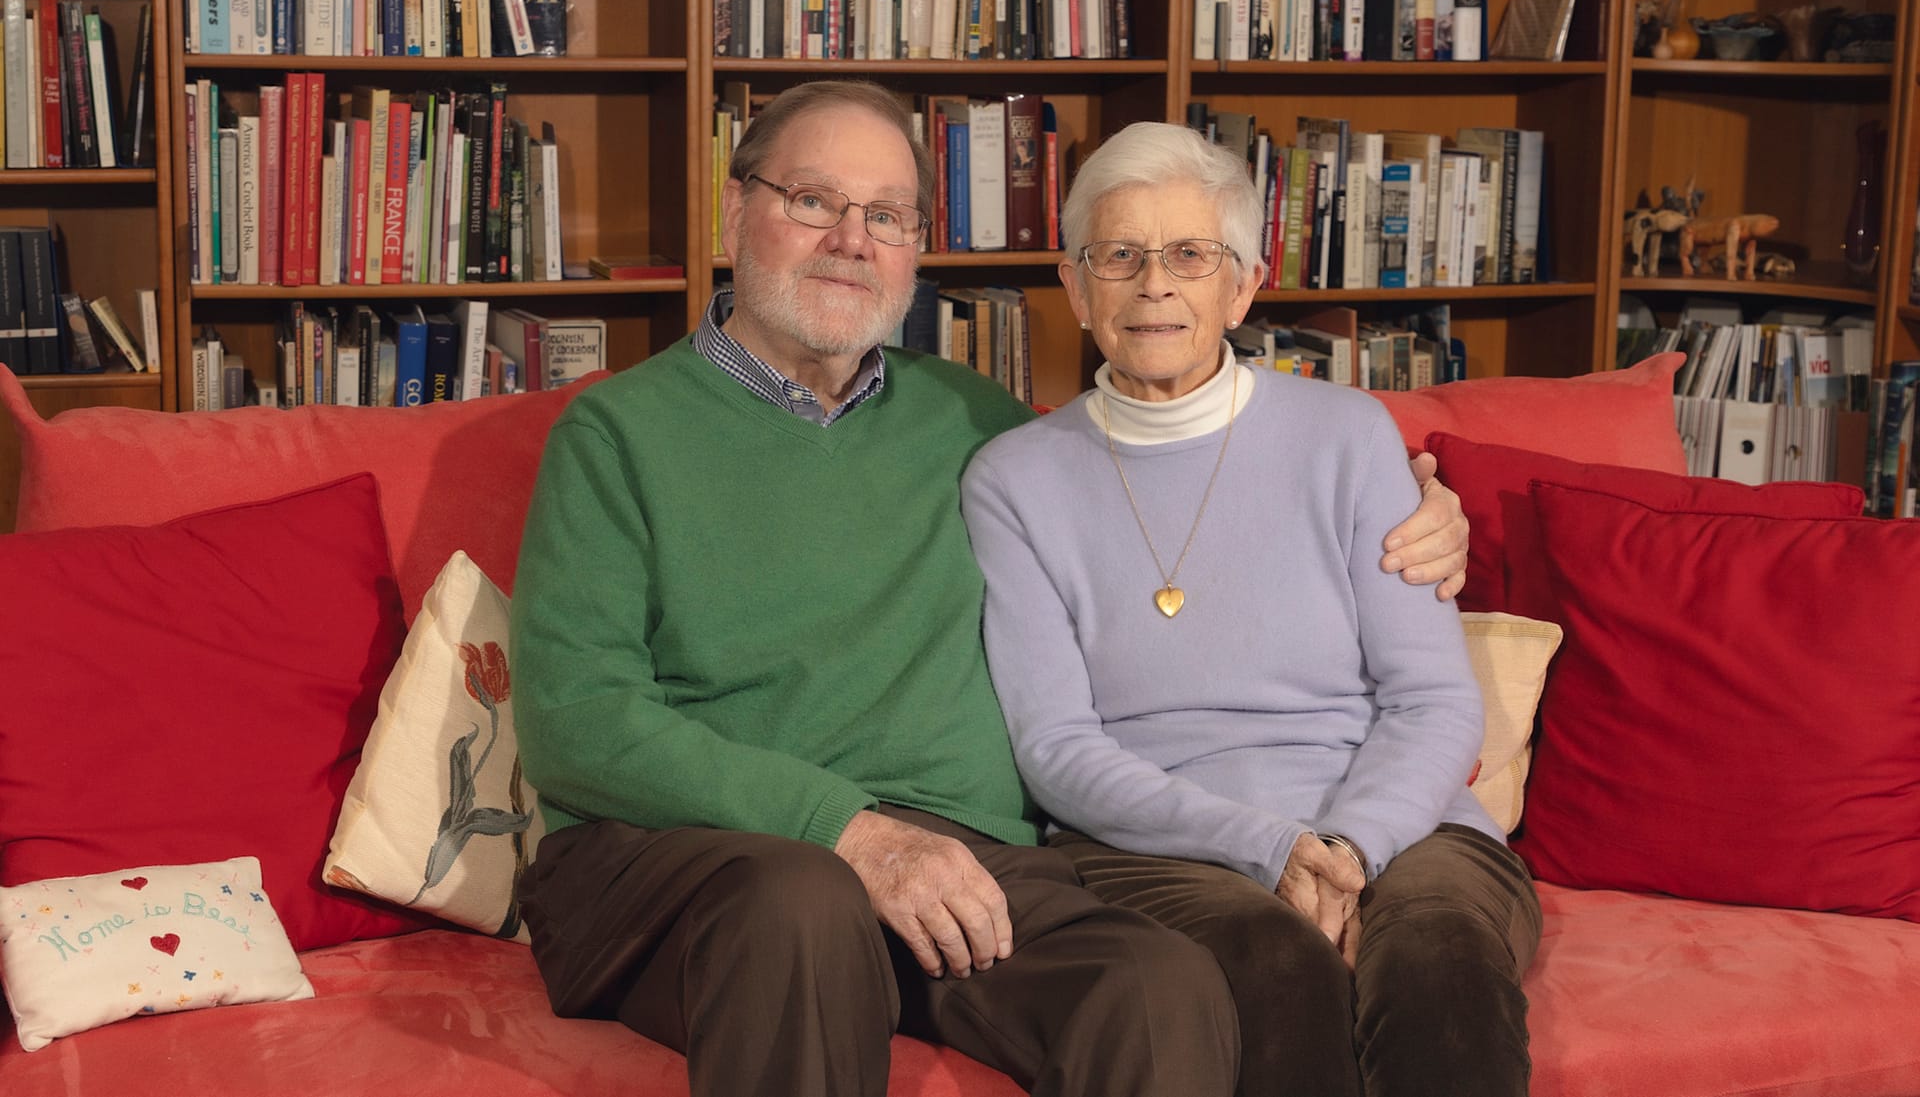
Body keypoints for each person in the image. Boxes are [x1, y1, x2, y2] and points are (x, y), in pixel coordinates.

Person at [507, 82, 1469, 1097]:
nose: (850, 239)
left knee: (1157, 984)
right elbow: (580, 719)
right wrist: (850, 832)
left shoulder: (977, 425)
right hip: (691, 866)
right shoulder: (615, 435)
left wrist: (1416, 512)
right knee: (803, 903)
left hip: (960, 860)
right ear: (736, 208)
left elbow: (1147, 489)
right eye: (811, 200)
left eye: (886, 215)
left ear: (917, 248)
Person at [959, 121, 1542, 1097]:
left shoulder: (1350, 437)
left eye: (1191, 253)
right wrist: (1267, 847)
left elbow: (1433, 703)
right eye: (1121, 254)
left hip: (1405, 826)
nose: (1156, 283)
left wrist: (1347, 846)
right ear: (1074, 285)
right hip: (1157, 843)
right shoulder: (1015, 481)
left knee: (1438, 958)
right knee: (1273, 967)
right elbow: (1057, 746)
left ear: (1243, 283)